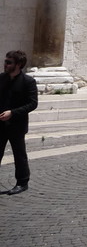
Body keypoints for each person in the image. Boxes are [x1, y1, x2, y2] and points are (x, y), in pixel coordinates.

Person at [0, 50, 38, 195]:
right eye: (5, 61)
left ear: (19, 64)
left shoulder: (28, 81)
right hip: (0, 124)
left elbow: (33, 104)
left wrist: (13, 113)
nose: (5, 64)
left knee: (19, 154)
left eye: (9, 62)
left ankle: (22, 182)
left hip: (17, 125)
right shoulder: (1, 78)